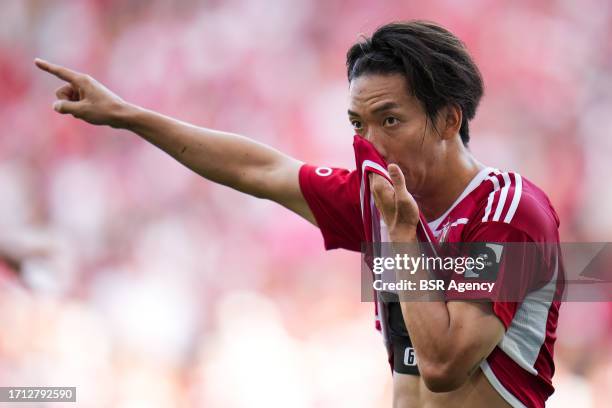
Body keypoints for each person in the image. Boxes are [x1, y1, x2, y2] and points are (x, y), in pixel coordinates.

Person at [35, 20, 563, 408]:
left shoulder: (510, 213)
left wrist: (402, 238)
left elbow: (445, 366)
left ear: (449, 119)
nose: (370, 145)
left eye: (390, 120)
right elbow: (261, 170)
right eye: (358, 126)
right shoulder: (377, 201)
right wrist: (127, 115)